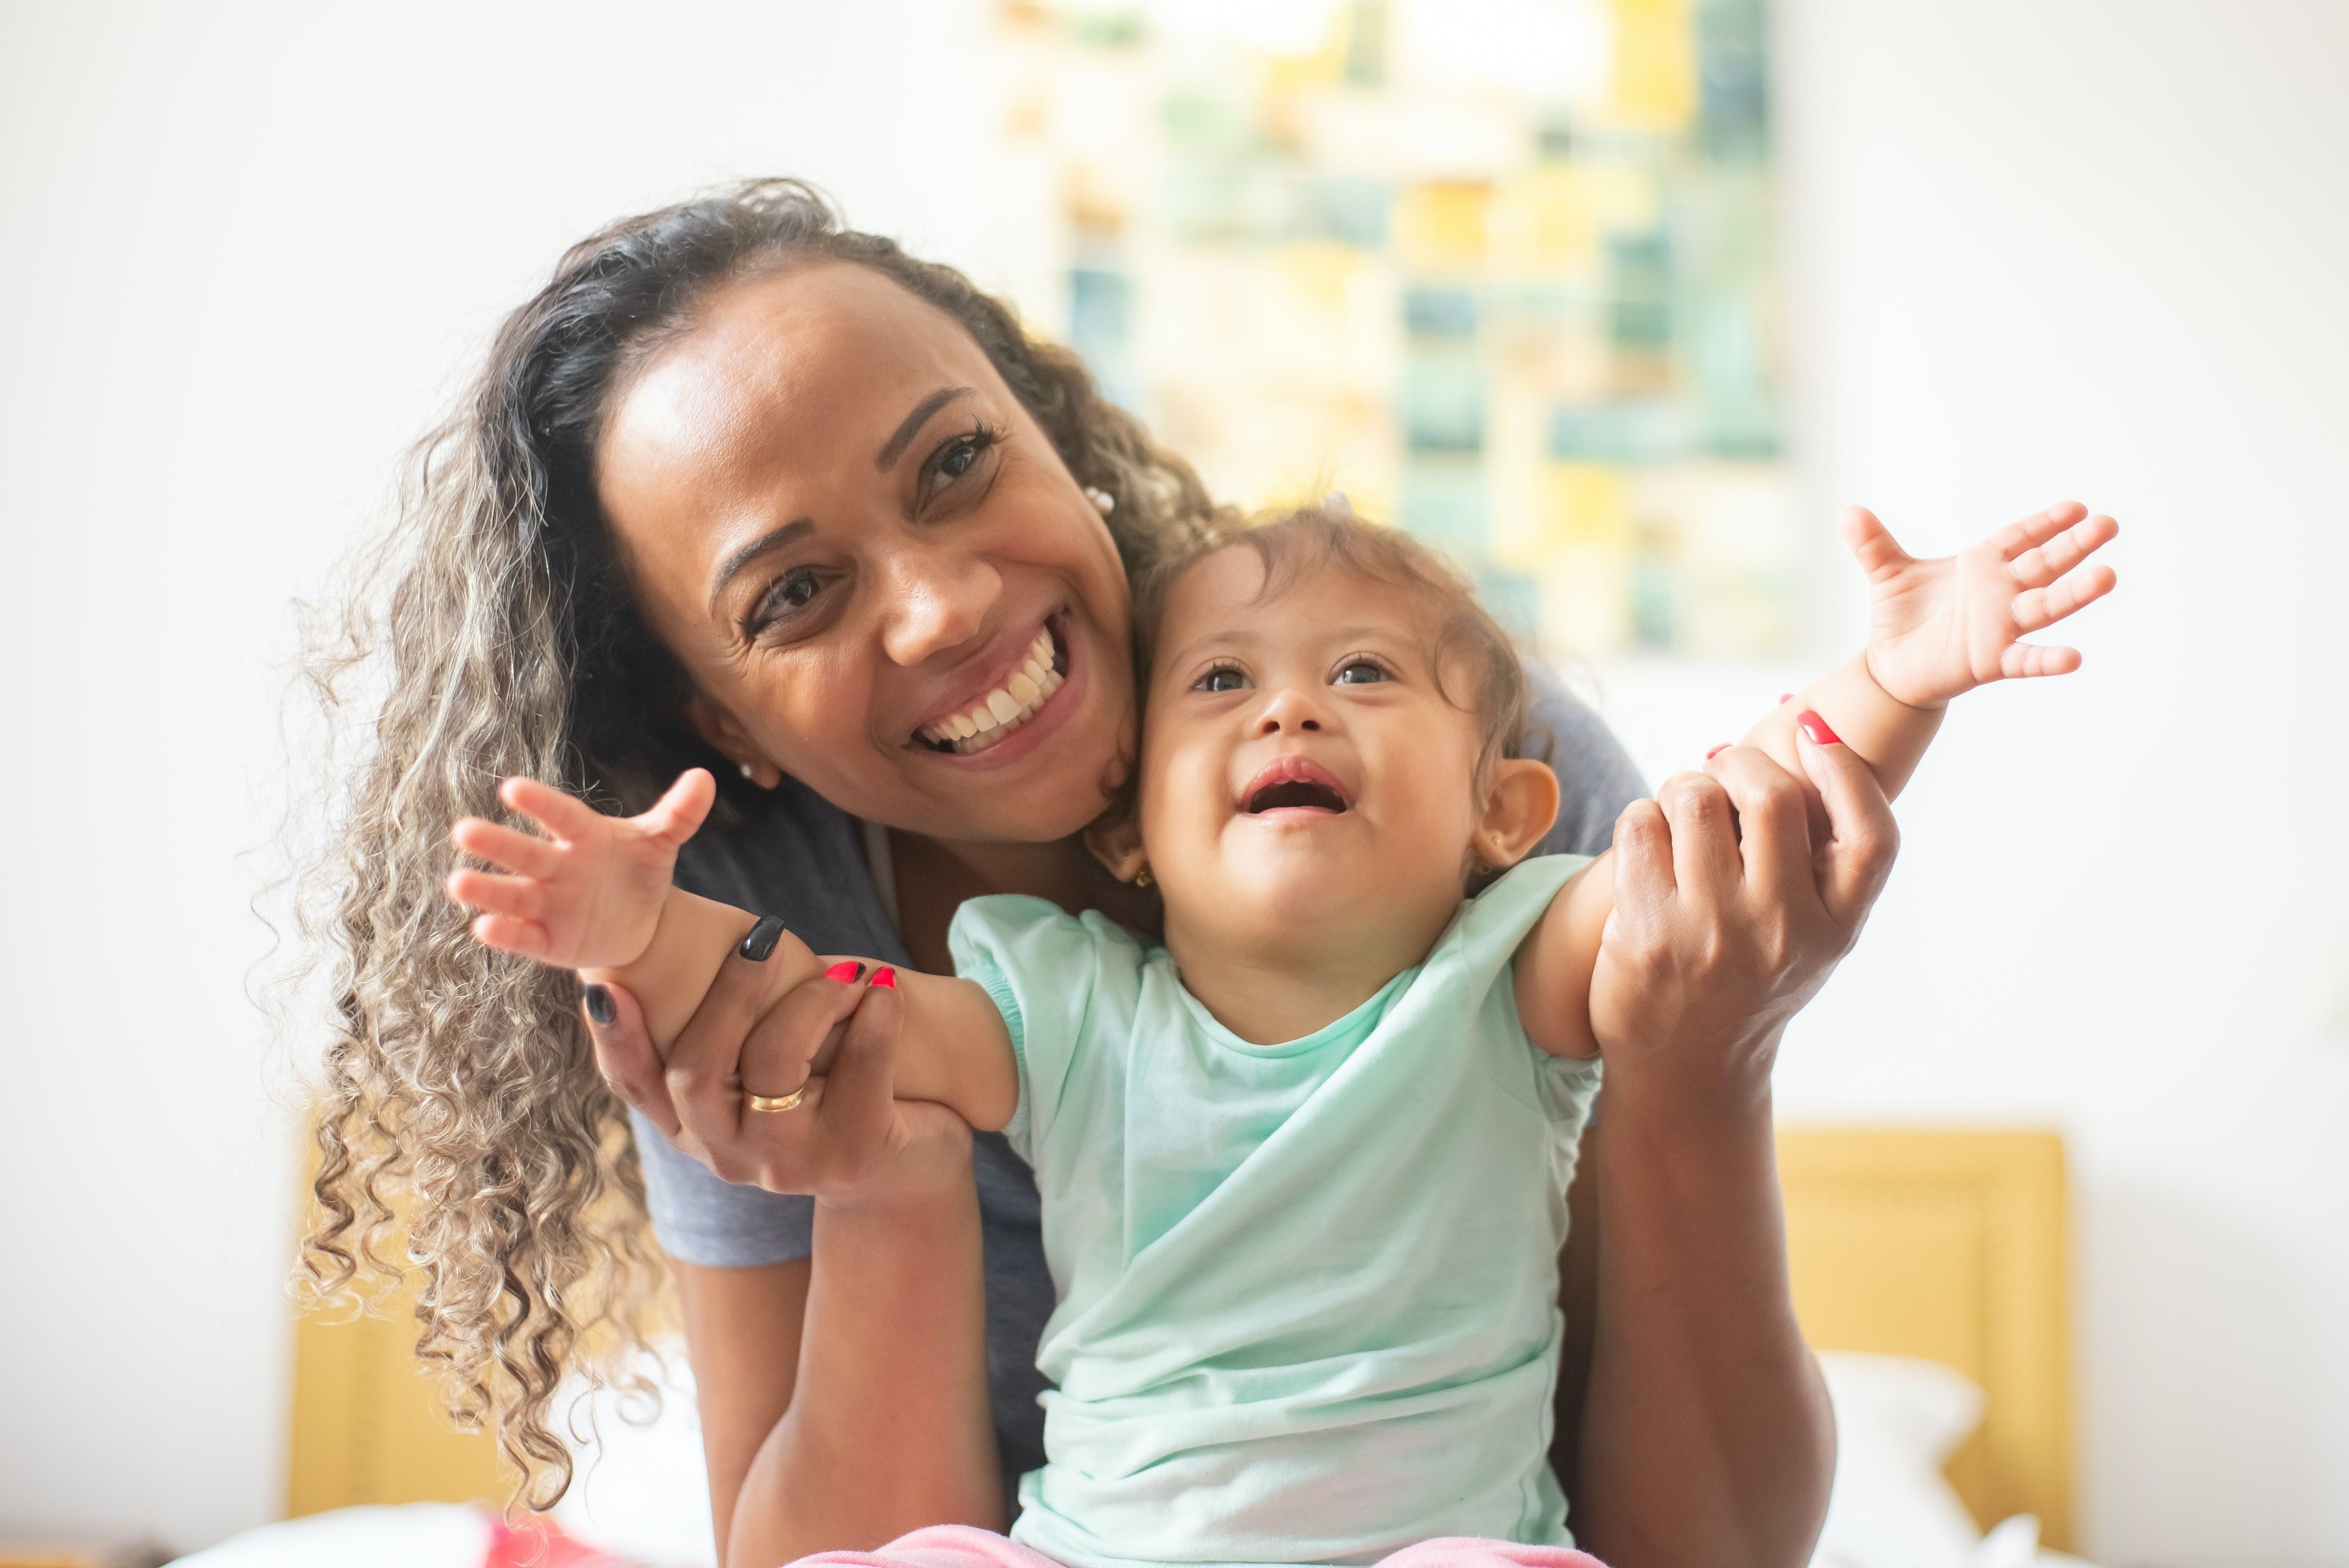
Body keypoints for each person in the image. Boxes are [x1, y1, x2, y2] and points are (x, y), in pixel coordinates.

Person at [301, 179, 1900, 1568]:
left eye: (954, 464)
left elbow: (1703, 1558)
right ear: (726, 723)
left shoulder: (1440, 767)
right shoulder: (746, 930)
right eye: (795, 594)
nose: (938, 610)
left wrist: (1702, 1065)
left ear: (1053, 438)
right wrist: (893, 1185)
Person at [445, 495, 2115, 1568]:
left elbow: (1725, 837)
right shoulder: (1061, 1003)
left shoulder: (1516, 966)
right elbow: (820, 1020)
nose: (1293, 706)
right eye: (1224, 684)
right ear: (1129, 832)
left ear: (1503, 811)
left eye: (1366, 675)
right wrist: (636, 929)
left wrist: (1891, 688)